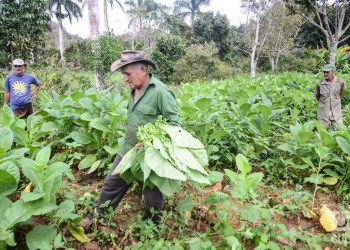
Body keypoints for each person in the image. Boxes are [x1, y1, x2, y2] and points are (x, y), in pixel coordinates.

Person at [82, 50, 180, 228]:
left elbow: (174, 124)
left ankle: (151, 227)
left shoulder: (161, 92)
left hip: (150, 154)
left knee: (152, 193)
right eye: (123, 74)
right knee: (112, 184)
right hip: (127, 149)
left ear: (143, 69)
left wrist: (151, 142)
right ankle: (95, 217)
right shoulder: (134, 89)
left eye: (128, 74)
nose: (125, 79)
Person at [314, 64, 346, 130]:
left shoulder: (340, 82)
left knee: (340, 132)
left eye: (327, 72)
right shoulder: (319, 84)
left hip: (336, 113)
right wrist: (325, 102)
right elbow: (317, 96)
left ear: (333, 72)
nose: (325, 74)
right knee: (321, 133)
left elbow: (342, 93)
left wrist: (335, 99)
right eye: (324, 72)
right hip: (323, 112)